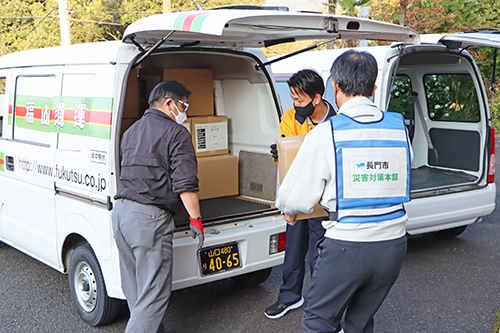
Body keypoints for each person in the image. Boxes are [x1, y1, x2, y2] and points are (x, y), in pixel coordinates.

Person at [276, 50, 411, 333]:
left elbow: (293, 197)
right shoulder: (399, 127)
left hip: (347, 244)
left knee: (319, 322)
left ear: (334, 86)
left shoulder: (327, 132)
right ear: (373, 88)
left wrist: (290, 209)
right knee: (360, 322)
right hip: (394, 245)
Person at [112, 80, 204, 333]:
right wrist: (196, 219)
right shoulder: (176, 133)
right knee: (153, 296)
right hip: (149, 219)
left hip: (121, 214)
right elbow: (185, 183)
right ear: (169, 103)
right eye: (184, 105)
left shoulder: (131, 131)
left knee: (136, 289)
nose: (186, 111)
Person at [266, 69, 337, 319]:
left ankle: (321, 306)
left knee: (319, 254)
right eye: (293, 98)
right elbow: (289, 163)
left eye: (299, 100)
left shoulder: (337, 122)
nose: (295, 105)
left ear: (316, 98)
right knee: (293, 249)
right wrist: (280, 157)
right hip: (298, 196)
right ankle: (290, 297)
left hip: (324, 201)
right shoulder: (290, 119)